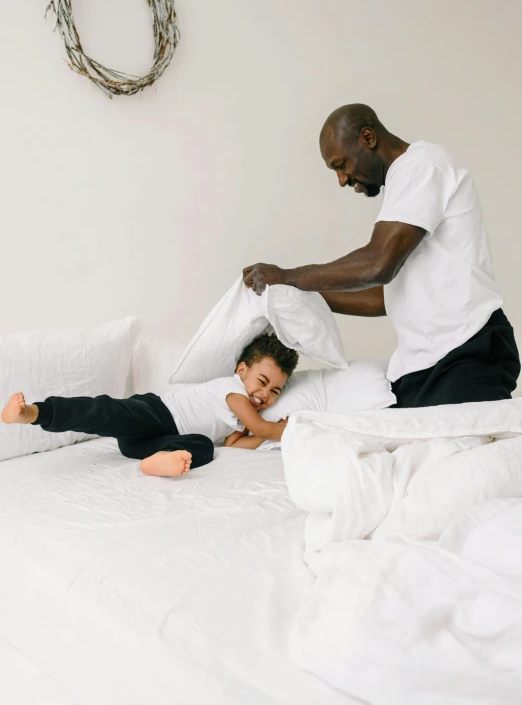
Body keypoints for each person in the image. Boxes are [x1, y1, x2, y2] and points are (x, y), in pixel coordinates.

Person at [243, 104, 520, 408]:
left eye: (341, 164)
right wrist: (294, 292)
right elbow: (383, 296)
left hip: (467, 351)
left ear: (367, 137)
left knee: (462, 452)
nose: (342, 179)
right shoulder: (405, 185)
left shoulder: (422, 165)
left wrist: (286, 276)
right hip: (423, 366)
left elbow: (378, 264)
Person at [1, 333, 298, 476]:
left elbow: (233, 446)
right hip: (155, 414)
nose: (265, 395)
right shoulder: (232, 390)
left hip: (146, 443)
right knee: (103, 412)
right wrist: (285, 429)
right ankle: (35, 413)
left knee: (205, 446)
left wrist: (260, 434)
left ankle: (157, 462)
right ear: (242, 371)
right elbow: (261, 425)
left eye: (275, 391)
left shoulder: (244, 419)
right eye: (262, 382)